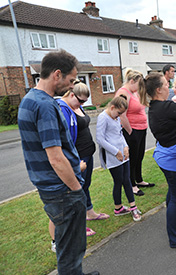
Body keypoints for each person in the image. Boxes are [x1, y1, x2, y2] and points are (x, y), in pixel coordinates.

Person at [17, 50, 99, 275]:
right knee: (71, 247)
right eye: (71, 80)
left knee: (66, 244)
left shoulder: (29, 100)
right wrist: (76, 188)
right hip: (62, 190)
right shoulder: (44, 105)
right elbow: (55, 156)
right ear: (57, 74)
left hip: (51, 187)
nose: (72, 86)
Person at [48, 81, 109, 249]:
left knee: (85, 186)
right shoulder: (63, 109)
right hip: (78, 158)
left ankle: (90, 213)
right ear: (71, 94)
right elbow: (65, 140)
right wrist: (75, 163)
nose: (82, 104)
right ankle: (80, 225)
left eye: (85, 102)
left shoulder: (76, 106)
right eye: (81, 101)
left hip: (86, 154)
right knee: (76, 191)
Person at [143, 72, 176, 248]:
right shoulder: (166, 106)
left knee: (173, 193)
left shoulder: (155, 106)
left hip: (165, 155)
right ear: (159, 90)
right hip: (170, 158)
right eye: (167, 85)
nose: (170, 88)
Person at [96, 96, 142, 222]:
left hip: (123, 153)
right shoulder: (103, 117)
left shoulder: (115, 117)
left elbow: (120, 134)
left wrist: (126, 146)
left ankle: (132, 206)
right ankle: (119, 208)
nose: (119, 116)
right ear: (112, 107)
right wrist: (115, 152)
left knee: (127, 179)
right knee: (119, 181)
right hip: (113, 156)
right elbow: (100, 139)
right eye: (119, 113)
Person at [115, 69, 153, 197]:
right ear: (132, 81)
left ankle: (139, 179)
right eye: (139, 84)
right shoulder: (123, 94)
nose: (139, 88)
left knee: (139, 156)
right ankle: (132, 185)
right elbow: (122, 115)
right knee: (132, 158)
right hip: (132, 131)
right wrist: (130, 131)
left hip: (141, 129)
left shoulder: (134, 92)